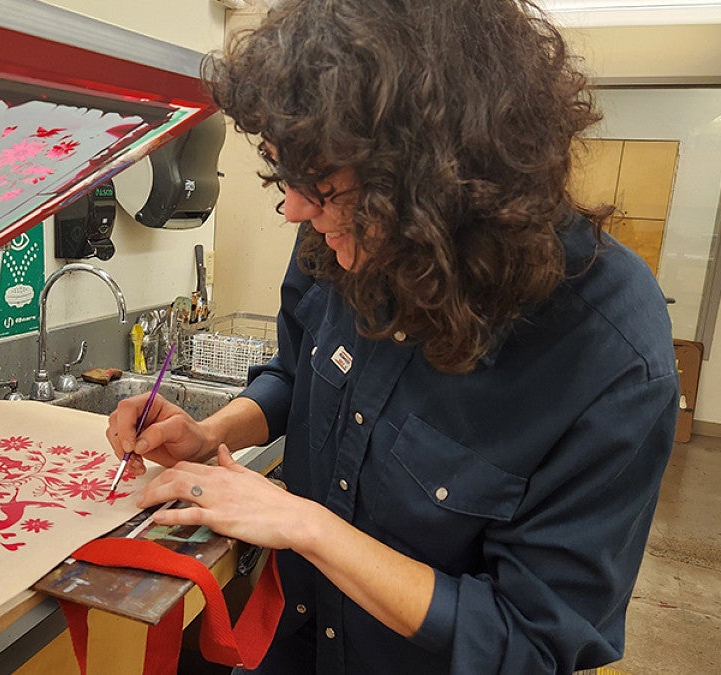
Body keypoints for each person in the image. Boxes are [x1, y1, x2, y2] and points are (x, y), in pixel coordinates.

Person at [105, 1, 679, 672]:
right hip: (295, 643)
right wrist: (214, 435)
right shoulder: (342, 224)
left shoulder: (609, 352)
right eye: (288, 177)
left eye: (319, 187)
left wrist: (308, 525)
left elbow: (530, 639)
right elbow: (296, 374)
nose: (294, 208)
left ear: (439, 175)